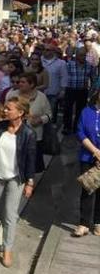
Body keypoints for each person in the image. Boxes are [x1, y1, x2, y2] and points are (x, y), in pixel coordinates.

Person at [0, 98, 37, 268]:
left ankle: (7, 249)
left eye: (9, 109)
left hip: (16, 179)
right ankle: (5, 241)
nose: (5, 111)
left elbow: (31, 160)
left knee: (9, 214)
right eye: (5, 108)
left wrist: (30, 182)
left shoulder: (28, 133)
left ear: (20, 113)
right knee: (2, 212)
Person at [5, 72, 52, 172]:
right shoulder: (12, 95)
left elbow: (49, 115)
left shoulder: (41, 97)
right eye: (19, 82)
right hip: (14, 135)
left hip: (34, 136)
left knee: (32, 166)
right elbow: (5, 112)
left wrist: (40, 119)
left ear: (32, 84)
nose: (19, 84)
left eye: (23, 82)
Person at [74, 90, 100, 237]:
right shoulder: (86, 111)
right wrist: (95, 151)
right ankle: (84, 223)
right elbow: (80, 132)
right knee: (87, 189)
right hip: (87, 155)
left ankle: (98, 222)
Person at [62, 49, 95, 134]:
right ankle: (67, 127)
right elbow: (64, 77)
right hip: (70, 90)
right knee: (68, 109)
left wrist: (91, 91)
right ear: (76, 56)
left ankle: (77, 127)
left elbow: (93, 79)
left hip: (82, 91)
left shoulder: (89, 66)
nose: (83, 57)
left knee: (80, 110)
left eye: (84, 55)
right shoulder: (69, 65)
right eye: (81, 55)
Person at [41, 45, 68, 122]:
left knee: (50, 114)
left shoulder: (61, 63)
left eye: (48, 50)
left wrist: (63, 90)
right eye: (45, 49)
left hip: (53, 93)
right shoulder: (39, 61)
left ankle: (50, 130)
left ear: (53, 51)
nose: (46, 51)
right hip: (40, 92)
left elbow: (64, 77)